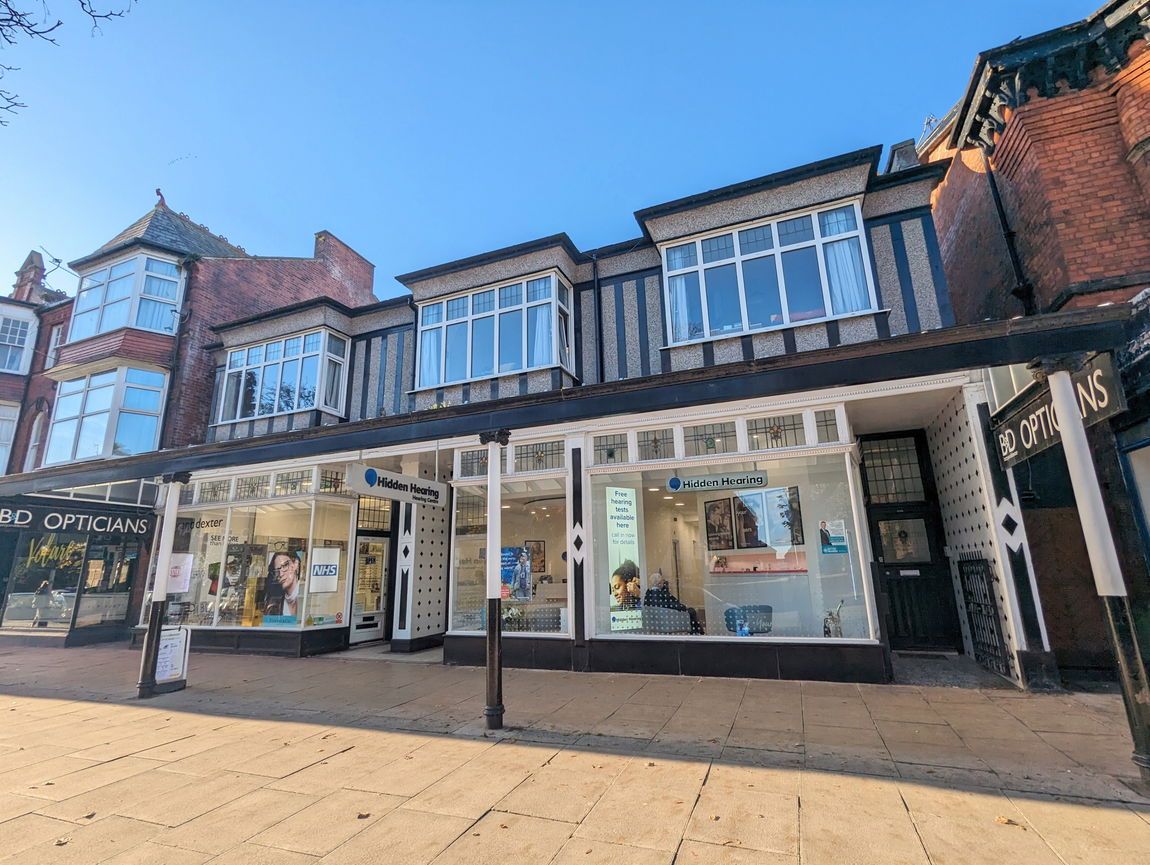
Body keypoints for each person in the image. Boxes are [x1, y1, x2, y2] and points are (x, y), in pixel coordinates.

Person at [264, 552, 301, 618]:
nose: (281, 574)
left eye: (284, 566)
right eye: (277, 570)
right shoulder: (275, 600)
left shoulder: (303, 592)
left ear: (295, 564)